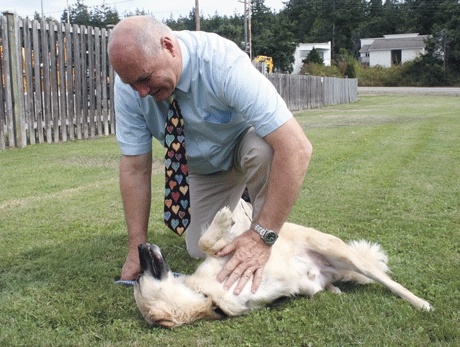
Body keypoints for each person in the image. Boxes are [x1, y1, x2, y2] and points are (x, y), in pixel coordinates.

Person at [108, 16, 312, 295]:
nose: (141, 92)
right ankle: (244, 208)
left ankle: (265, 234)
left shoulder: (221, 63)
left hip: (243, 147)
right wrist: (137, 249)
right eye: (132, 84)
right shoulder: (130, 88)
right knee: (197, 250)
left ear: (168, 46)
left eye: (145, 79)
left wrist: (260, 238)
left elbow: (296, 147)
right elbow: (135, 168)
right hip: (202, 169)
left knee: (265, 149)